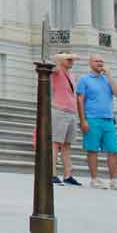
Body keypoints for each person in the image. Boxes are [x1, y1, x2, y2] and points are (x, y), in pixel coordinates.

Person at [76, 54, 117, 191]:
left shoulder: (107, 80)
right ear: (90, 63)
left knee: (113, 151)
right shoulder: (84, 80)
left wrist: (110, 76)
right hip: (92, 119)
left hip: (108, 120)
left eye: (101, 61)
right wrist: (83, 120)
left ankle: (114, 180)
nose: (100, 63)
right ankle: (94, 179)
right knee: (92, 150)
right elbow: (80, 100)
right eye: (97, 61)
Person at [50, 53, 81, 186]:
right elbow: (54, 61)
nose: (71, 61)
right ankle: (52, 173)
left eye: (72, 59)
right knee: (56, 143)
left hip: (71, 112)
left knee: (67, 145)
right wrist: (62, 57)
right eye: (69, 59)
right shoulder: (57, 71)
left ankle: (68, 175)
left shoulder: (72, 75)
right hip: (60, 110)